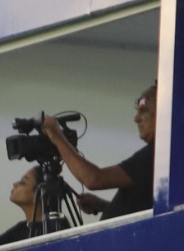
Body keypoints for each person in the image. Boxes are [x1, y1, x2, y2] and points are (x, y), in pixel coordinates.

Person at [40, 81, 160, 221]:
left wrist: (57, 136)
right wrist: (104, 206)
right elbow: (142, 210)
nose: (136, 118)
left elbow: (94, 179)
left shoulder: (158, 155)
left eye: (144, 111)